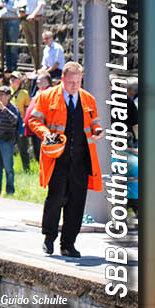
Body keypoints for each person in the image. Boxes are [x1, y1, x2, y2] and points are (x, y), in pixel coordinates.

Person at [27, 62, 105, 258]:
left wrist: (97, 131)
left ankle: (68, 244)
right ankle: (49, 237)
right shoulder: (46, 96)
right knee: (55, 199)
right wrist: (46, 134)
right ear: (62, 79)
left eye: (78, 82)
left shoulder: (88, 99)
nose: (75, 86)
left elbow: (94, 122)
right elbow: (33, 120)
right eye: (71, 82)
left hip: (80, 160)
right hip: (57, 159)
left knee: (77, 203)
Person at [6, 71, 32, 170]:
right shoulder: (6, 91)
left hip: (20, 123)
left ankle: (26, 168)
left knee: (23, 148)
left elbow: (27, 109)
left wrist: (25, 122)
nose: (12, 79)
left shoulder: (24, 93)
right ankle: (8, 167)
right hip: (8, 123)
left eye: (15, 78)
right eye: (11, 78)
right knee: (8, 147)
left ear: (19, 81)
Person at [24, 71, 52, 160]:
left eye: (40, 80)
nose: (37, 81)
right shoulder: (38, 91)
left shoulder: (49, 91)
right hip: (33, 125)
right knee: (37, 152)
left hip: (41, 125)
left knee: (41, 152)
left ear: (47, 81)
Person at [18, 0, 46, 69]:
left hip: (36, 19)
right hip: (25, 20)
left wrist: (33, 14)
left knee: (37, 42)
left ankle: (41, 66)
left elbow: (41, 4)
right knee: (30, 44)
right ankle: (36, 66)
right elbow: (21, 9)